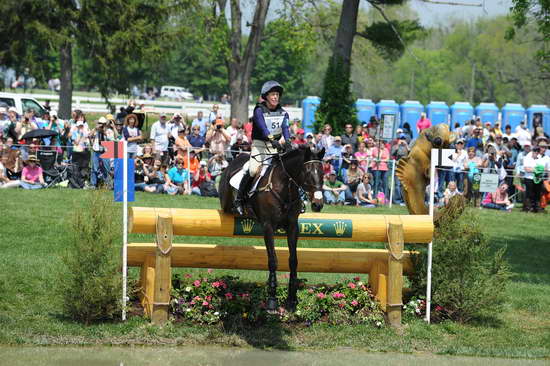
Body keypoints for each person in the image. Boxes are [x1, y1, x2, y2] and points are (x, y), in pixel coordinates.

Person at [233, 80, 290, 215]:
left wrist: (287, 141)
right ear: (266, 96)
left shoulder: (283, 112)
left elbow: (285, 129)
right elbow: (263, 128)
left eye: (277, 94)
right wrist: (272, 140)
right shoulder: (259, 110)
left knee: (286, 171)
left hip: (275, 146)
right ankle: (240, 199)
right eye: (272, 94)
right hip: (260, 146)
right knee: (253, 170)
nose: (276, 97)